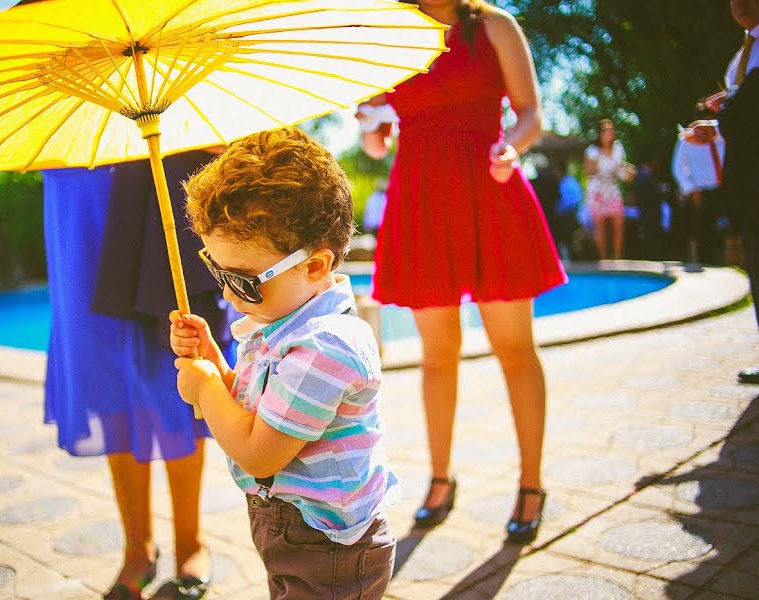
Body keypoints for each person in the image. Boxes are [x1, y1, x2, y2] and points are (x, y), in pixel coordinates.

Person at [358, 0, 566, 544]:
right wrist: (370, 125)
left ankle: (531, 484)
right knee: (438, 354)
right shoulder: (392, 39)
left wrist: (511, 146)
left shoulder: (495, 26)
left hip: (489, 186)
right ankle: (441, 477)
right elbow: (376, 142)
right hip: (422, 197)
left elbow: (530, 115)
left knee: (515, 348)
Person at [169, 127, 400, 600]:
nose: (229, 295)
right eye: (217, 271)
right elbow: (264, 413)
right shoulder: (283, 319)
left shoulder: (326, 346)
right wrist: (217, 362)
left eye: (245, 281)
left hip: (331, 547)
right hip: (294, 526)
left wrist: (208, 389)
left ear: (314, 266)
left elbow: (260, 452)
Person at [43, 151, 236, 600]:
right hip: (79, 177)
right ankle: (137, 548)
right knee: (104, 363)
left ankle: (190, 541)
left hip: (162, 161)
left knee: (172, 362)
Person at [707, 0, 759, 384]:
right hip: (747, 179)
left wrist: (726, 115)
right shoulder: (739, 56)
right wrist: (717, 120)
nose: (739, 2)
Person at [671, 119, 726, 264]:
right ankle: (701, 261)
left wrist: (713, 129)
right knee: (700, 231)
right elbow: (678, 168)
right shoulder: (686, 141)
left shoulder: (720, 139)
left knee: (721, 229)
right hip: (699, 191)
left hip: (722, 190)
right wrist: (691, 189)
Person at [584, 119, 634, 260]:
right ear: (599, 134)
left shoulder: (618, 148)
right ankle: (604, 259)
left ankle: (617, 258)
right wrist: (601, 158)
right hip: (597, 190)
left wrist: (628, 171)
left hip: (612, 189)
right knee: (600, 226)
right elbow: (588, 171)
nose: (609, 133)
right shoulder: (592, 151)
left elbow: (620, 168)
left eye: (611, 130)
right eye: (605, 130)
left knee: (618, 223)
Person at [632, 157, 668, 261]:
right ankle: (653, 256)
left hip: (643, 209)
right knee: (653, 234)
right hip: (651, 210)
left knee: (647, 234)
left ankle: (648, 256)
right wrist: (661, 190)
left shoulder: (638, 175)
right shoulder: (645, 175)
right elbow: (654, 193)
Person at [553, 162, 583, 260]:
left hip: (570, 216)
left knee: (567, 237)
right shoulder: (570, 181)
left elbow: (570, 202)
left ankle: (572, 257)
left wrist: (557, 212)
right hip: (569, 216)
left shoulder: (567, 183)